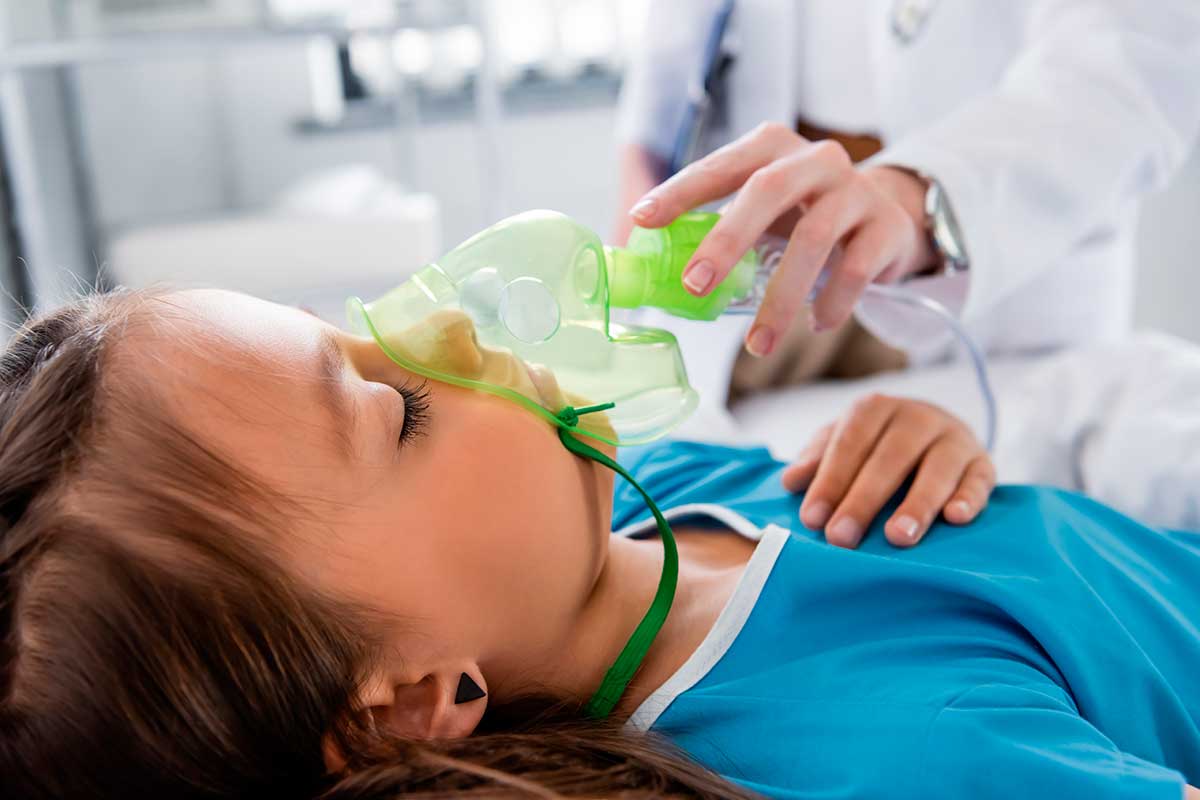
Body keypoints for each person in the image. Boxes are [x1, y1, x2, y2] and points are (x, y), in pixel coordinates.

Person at [2, 288, 1198, 799]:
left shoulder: (654, 494)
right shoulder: (899, 754)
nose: (443, 324)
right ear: (405, 702)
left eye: (353, 321)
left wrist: (943, 453)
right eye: (395, 407)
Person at [614, 0, 1200, 408]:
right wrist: (645, 176)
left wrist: (921, 196)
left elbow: (1133, 60)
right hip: (756, 265)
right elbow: (672, 47)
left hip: (984, 264)